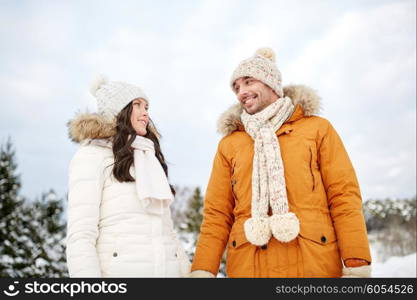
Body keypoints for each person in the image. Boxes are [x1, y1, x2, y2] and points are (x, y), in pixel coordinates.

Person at [190, 48, 372, 278]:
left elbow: (344, 196)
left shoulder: (317, 129)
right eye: (236, 87)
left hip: (314, 265)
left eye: (248, 82)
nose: (241, 92)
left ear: (271, 83)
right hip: (249, 267)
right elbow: (217, 214)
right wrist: (202, 271)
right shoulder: (229, 145)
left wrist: (356, 261)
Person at [66, 75, 190, 277]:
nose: (145, 114)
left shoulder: (148, 157)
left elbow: (168, 233)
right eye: (137, 105)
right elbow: (81, 236)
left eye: (147, 107)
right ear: (119, 111)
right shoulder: (92, 156)